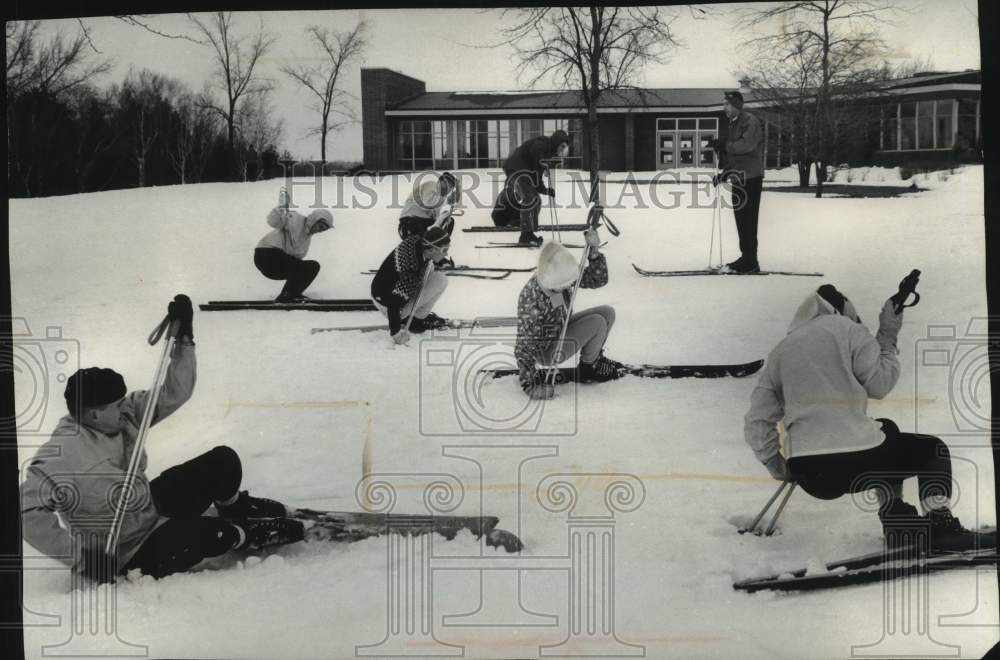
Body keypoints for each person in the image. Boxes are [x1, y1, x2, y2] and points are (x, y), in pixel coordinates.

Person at [20, 295, 303, 582]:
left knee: (223, 461)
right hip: (126, 549)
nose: (126, 406)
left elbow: (173, 393)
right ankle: (242, 535)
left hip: (149, 508)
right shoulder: (62, 454)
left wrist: (184, 339)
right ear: (93, 414)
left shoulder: (124, 415)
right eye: (117, 405)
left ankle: (234, 509)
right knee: (208, 535)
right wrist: (82, 558)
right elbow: (24, 513)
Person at [744, 284, 986, 550]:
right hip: (858, 462)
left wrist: (778, 466)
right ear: (841, 310)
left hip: (811, 474)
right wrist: (887, 333)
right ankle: (940, 525)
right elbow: (880, 384)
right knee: (931, 449)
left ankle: (898, 521)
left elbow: (757, 419)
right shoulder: (847, 329)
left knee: (886, 429)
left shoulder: (780, 350)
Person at [515, 229, 623, 399]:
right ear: (551, 282)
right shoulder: (532, 299)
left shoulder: (559, 272)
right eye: (564, 285)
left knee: (607, 313)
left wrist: (594, 252)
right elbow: (524, 346)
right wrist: (530, 386)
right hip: (546, 350)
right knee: (597, 323)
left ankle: (594, 358)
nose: (568, 287)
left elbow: (597, 279)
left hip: (559, 329)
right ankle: (588, 368)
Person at [371, 226, 452, 345]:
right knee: (441, 280)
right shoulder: (411, 271)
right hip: (388, 304)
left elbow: (431, 233)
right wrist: (396, 334)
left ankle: (413, 314)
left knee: (430, 268)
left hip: (380, 291)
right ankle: (417, 320)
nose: (446, 254)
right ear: (430, 250)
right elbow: (394, 304)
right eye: (444, 250)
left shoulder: (417, 239)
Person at [711, 90, 764, 274]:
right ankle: (746, 258)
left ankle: (751, 261)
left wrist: (725, 146)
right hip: (739, 178)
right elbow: (734, 157)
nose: (724, 108)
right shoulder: (733, 124)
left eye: (726, 104)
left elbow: (746, 146)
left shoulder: (750, 121)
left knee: (749, 221)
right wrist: (724, 174)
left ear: (736, 105)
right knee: (741, 221)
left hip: (751, 178)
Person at [501, 129, 571, 246]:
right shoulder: (543, 143)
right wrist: (542, 162)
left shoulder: (547, 155)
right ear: (557, 142)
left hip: (525, 172)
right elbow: (535, 151)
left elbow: (537, 178)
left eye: (565, 147)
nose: (562, 149)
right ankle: (526, 235)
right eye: (562, 146)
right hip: (516, 169)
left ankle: (530, 231)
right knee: (529, 198)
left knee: (536, 200)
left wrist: (546, 191)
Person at [254, 203, 334, 302]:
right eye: (321, 226)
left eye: (324, 230)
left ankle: (291, 294)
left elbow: (296, 262)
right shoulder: (295, 220)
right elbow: (274, 221)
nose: (321, 231)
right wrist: (281, 209)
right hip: (266, 254)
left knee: (312, 267)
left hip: (274, 264)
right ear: (315, 220)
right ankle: (287, 295)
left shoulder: (306, 239)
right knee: (310, 267)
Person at [398, 171, 459, 239]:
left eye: (450, 187)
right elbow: (428, 202)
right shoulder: (432, 185)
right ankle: (416, 242)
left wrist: (445, 215)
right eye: (446, 184)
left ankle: (438, 244)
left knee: (448, 221)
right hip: (410, 219)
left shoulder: (440, 198)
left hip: (421, 221)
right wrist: (447, 200)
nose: (448, 188)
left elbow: (434, 217)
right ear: (439, 182)